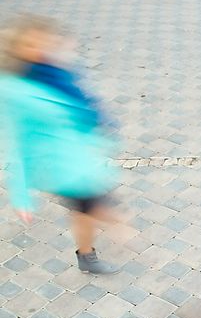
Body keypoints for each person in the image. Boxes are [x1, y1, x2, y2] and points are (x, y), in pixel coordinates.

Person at [0, 14, 121, 274]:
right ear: (16, 50)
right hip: (59, 165)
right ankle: (115, 238)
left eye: (43, 41)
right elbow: (15, 143)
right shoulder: (13, 90)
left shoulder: (50, 71)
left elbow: (78, 104)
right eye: (31, 45)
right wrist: (21, 196)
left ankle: (87, 255)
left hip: (78, 157)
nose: (40, 49)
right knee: (97, 208)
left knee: (85, 210)